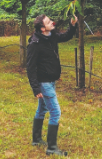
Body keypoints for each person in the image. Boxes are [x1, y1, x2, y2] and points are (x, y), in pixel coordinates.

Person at [26, 14, 77, 156]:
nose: (52, 23)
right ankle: (52, 148)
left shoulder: (51, 35)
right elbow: (30, 67)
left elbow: (66, 36)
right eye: (49, 22)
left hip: (51, 80)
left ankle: (36, 139)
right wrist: (36, 88)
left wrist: (72, 25)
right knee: (55, 112)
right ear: (42, 28)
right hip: (44, 83)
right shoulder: (35, 44)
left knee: (42, 109)